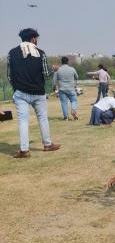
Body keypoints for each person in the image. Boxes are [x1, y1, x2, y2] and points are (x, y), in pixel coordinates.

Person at [7, 28, 61, 158]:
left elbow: (9, 76)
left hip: (21, 92)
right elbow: (46, 74)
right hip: (38, 92)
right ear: (33, 38)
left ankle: (24, 150)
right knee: (42, 118)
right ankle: (47, 144)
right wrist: (53, 69)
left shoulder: (12, 53)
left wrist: (17, 88)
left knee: (23, 121)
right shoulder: (40, 53)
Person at [52, 56, 79, 120]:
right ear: (67, 62)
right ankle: (73, 110)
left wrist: (54, 88)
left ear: (61, 62)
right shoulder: (72, 69)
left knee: (64, 103)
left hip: (62, 89)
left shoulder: (58, 70)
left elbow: (54, 80)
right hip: (71, 88)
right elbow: (77, 77)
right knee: (74, 100)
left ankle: (66, 117)